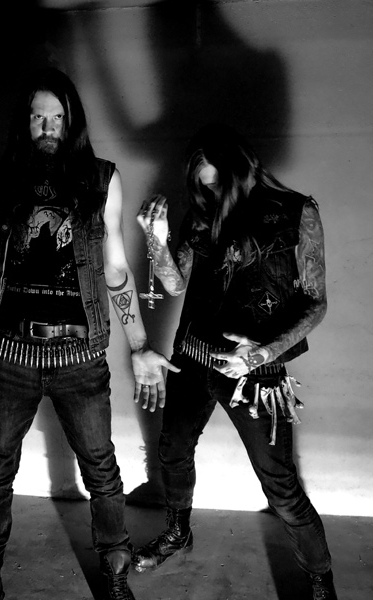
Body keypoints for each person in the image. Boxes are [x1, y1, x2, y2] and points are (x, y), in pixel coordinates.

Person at [0, 67, 176, 600]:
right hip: (10, 354)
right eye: (38, 117)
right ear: (25, 122)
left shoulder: (101, 179)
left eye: (57, 117)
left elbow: (115, 268)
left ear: (71, 121)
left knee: (101, 469)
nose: (47, 127)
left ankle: (114, 571)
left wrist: (139, 345)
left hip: (79, 356)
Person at [134, 123, 337, 599]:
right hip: (192, 357)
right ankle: (177, 532)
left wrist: (262, 353)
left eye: (216, 184)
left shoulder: (296, 211)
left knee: (280, 486)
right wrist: (155, 240)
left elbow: (316, 303)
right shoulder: (202, 215)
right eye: (202, 188)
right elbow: (175, 284)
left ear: (240, 170)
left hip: (255, 373)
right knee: (172, 451)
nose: (210, 195)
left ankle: (320, 581)